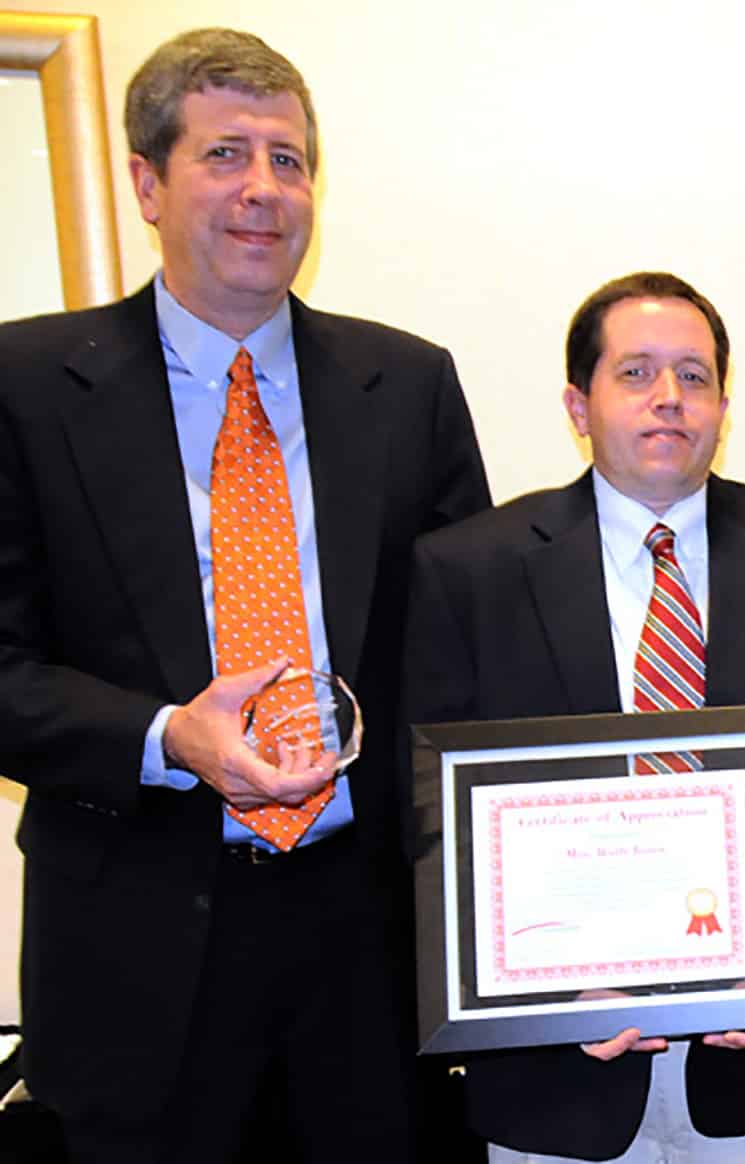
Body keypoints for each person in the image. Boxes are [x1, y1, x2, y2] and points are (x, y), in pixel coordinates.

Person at [0, 27, 490, 1163]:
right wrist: (171, 737)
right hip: (137, 946)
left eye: (289, 159)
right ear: (146, 183)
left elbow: (470, 660)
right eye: (226, 154)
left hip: (366, 944)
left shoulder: (407, 384)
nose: (264, 190)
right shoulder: (27, 389)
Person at [405, 271, 745, 1162]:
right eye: (635, 372)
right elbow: (432, 816)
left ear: (724, 401)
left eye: (694, 374)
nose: (669, 398)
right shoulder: (468, 571)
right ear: (578, 402)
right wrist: (538, 996)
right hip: (557, 1075)